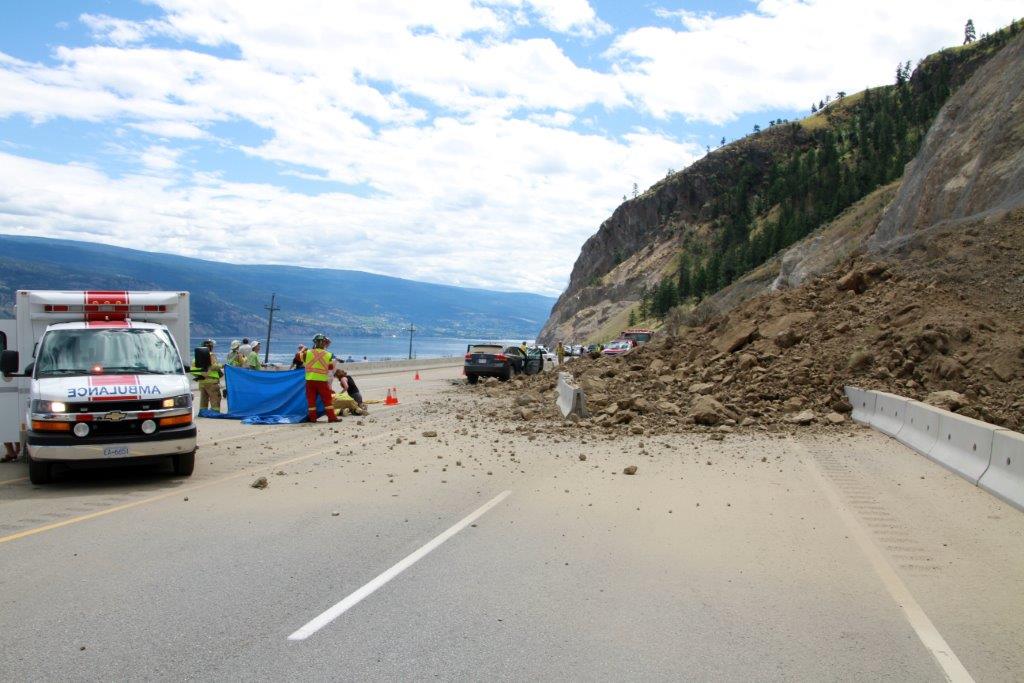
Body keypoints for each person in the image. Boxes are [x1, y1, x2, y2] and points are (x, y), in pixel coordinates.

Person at [304, 334, 338, 423]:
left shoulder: (307, 353)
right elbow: (330, 367)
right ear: (324, 343)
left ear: (314, 342)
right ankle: (331, 418)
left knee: (311, 401)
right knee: (327, 400)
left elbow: (299, 357)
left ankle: (313, 419)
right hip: (322, 381)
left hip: (310, 380)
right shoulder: (328, 354)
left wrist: (303, 350)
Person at [190, 339, 222, 412]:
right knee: (215, 398)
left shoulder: (197, 357)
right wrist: (221, 365)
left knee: (204, 399)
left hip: (202, 382)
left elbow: (193, 369)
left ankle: (202, 412)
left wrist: (201, 374)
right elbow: (214, 367)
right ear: (211, 347)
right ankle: (215, 413)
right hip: (212, 382)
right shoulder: (211, 355)